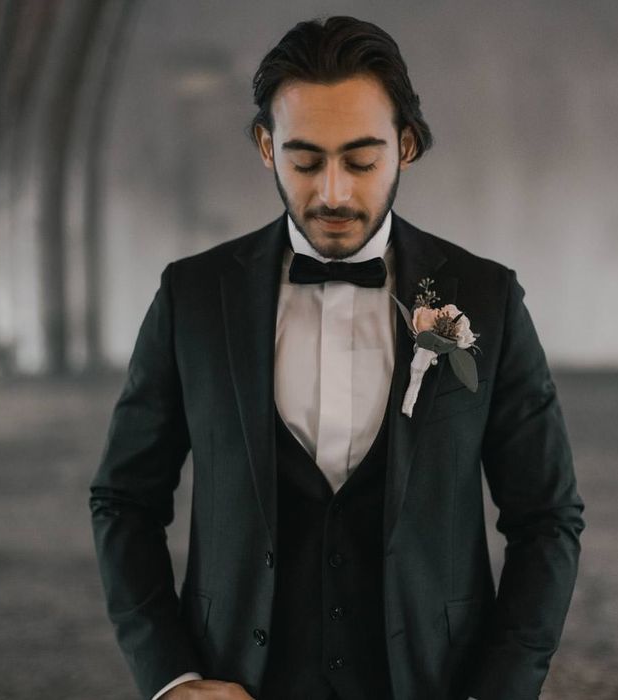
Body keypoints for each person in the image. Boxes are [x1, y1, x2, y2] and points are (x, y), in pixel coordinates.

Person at [89, 16, 584, 700]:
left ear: (406, 145)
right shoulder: (193, 297)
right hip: (240, 678)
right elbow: (123, 500)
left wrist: (497, 691)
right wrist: (171, 677)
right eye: (305, 159)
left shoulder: (488, 299)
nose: (333, 193)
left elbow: (547, 517)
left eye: (360, 159)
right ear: (266, 147)